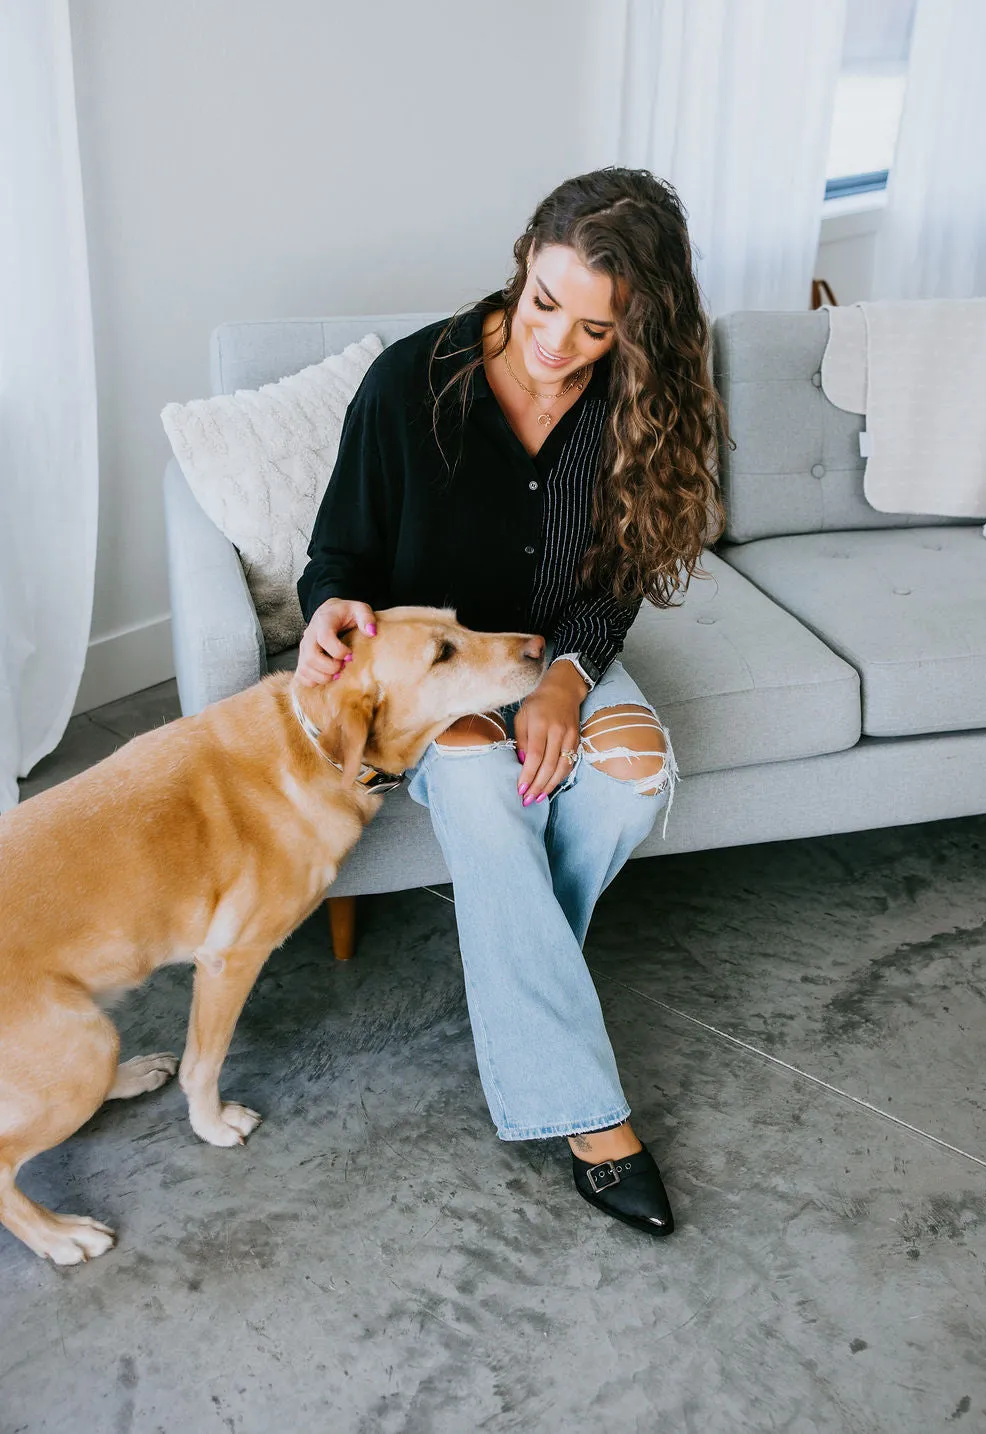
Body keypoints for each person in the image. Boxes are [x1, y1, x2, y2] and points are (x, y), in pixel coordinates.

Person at [297, 167, 725, 1236]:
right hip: (442, 666)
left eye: (593, 328)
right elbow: (336, 555)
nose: (555, 344)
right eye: (544, 304)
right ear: (521, 262)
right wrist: (331, 608)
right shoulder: (410, 384)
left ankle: (513, 965)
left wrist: (570, 680)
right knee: (487, 782)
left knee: (632, 781)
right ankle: (590, 1116)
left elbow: (617, 578)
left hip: (556, 648)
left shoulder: (642, 399)